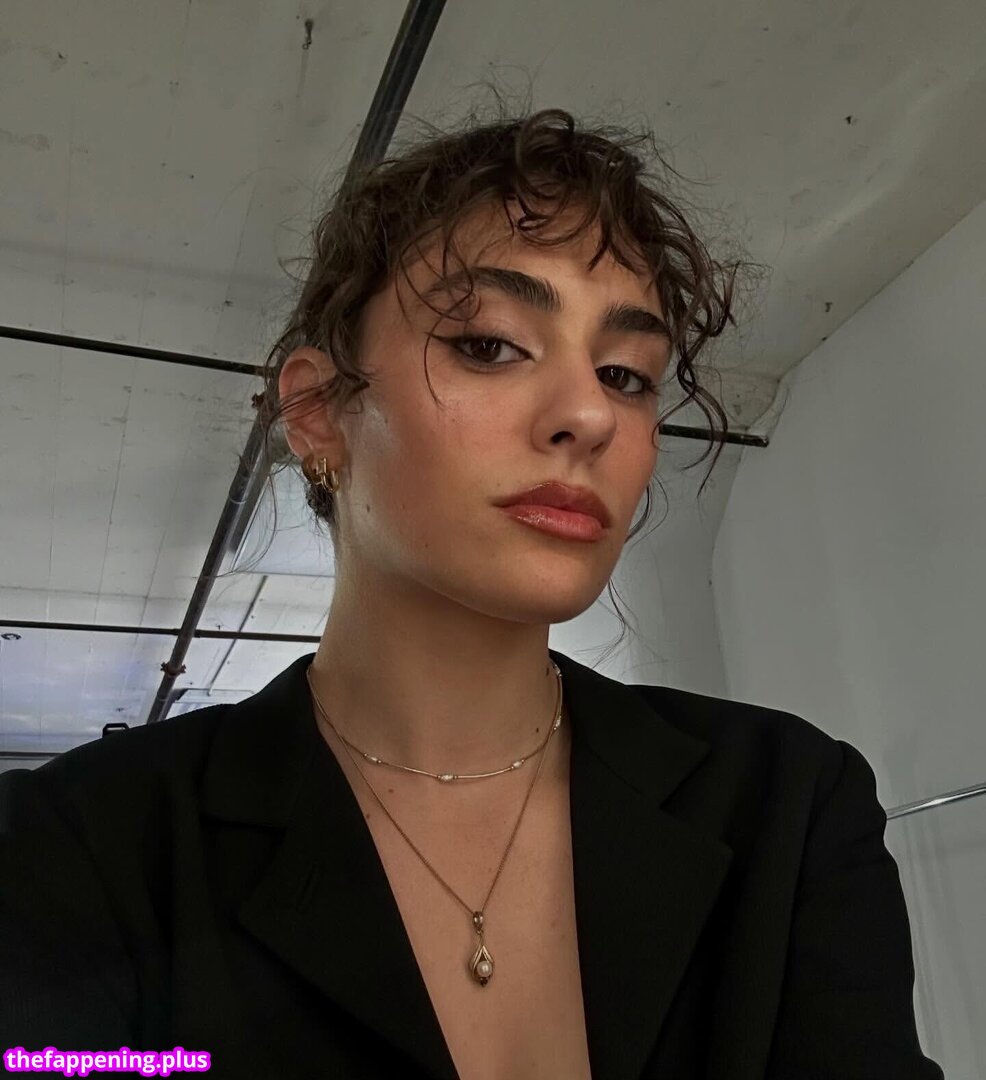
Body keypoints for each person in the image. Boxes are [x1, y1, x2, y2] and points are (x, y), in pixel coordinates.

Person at [0, 102, 944, 1079]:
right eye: (490, 344)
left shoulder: (787, 805)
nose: (588, 414)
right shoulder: (81, 845)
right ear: (318, 412)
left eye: (625, 375)